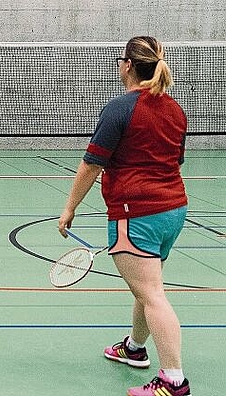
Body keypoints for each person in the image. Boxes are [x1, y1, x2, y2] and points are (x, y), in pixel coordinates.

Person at [58, 36, 190, 396]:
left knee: (152, 294)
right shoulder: (175, 109)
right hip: (174, 210)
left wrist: (69, 207)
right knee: (147, 286)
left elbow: (91, 165)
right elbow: (175, 161)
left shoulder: (120, 108)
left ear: (128, 65)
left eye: (120, 60)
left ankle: (173, 381)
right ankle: (134, 347)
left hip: (137, 213)